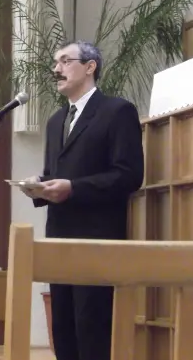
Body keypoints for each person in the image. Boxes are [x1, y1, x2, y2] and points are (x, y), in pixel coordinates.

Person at [20, 40, 144, 360]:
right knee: (63, 331)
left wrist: (74, 188)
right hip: (59, 239)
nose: (56, 69)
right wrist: (39, 186)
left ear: (90, 67)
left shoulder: (117, 111)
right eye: (55, 63)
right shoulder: (55, 121)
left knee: (92, 332)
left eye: (64, 61)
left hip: (97, 241)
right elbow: (55, 174)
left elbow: (129, 175)